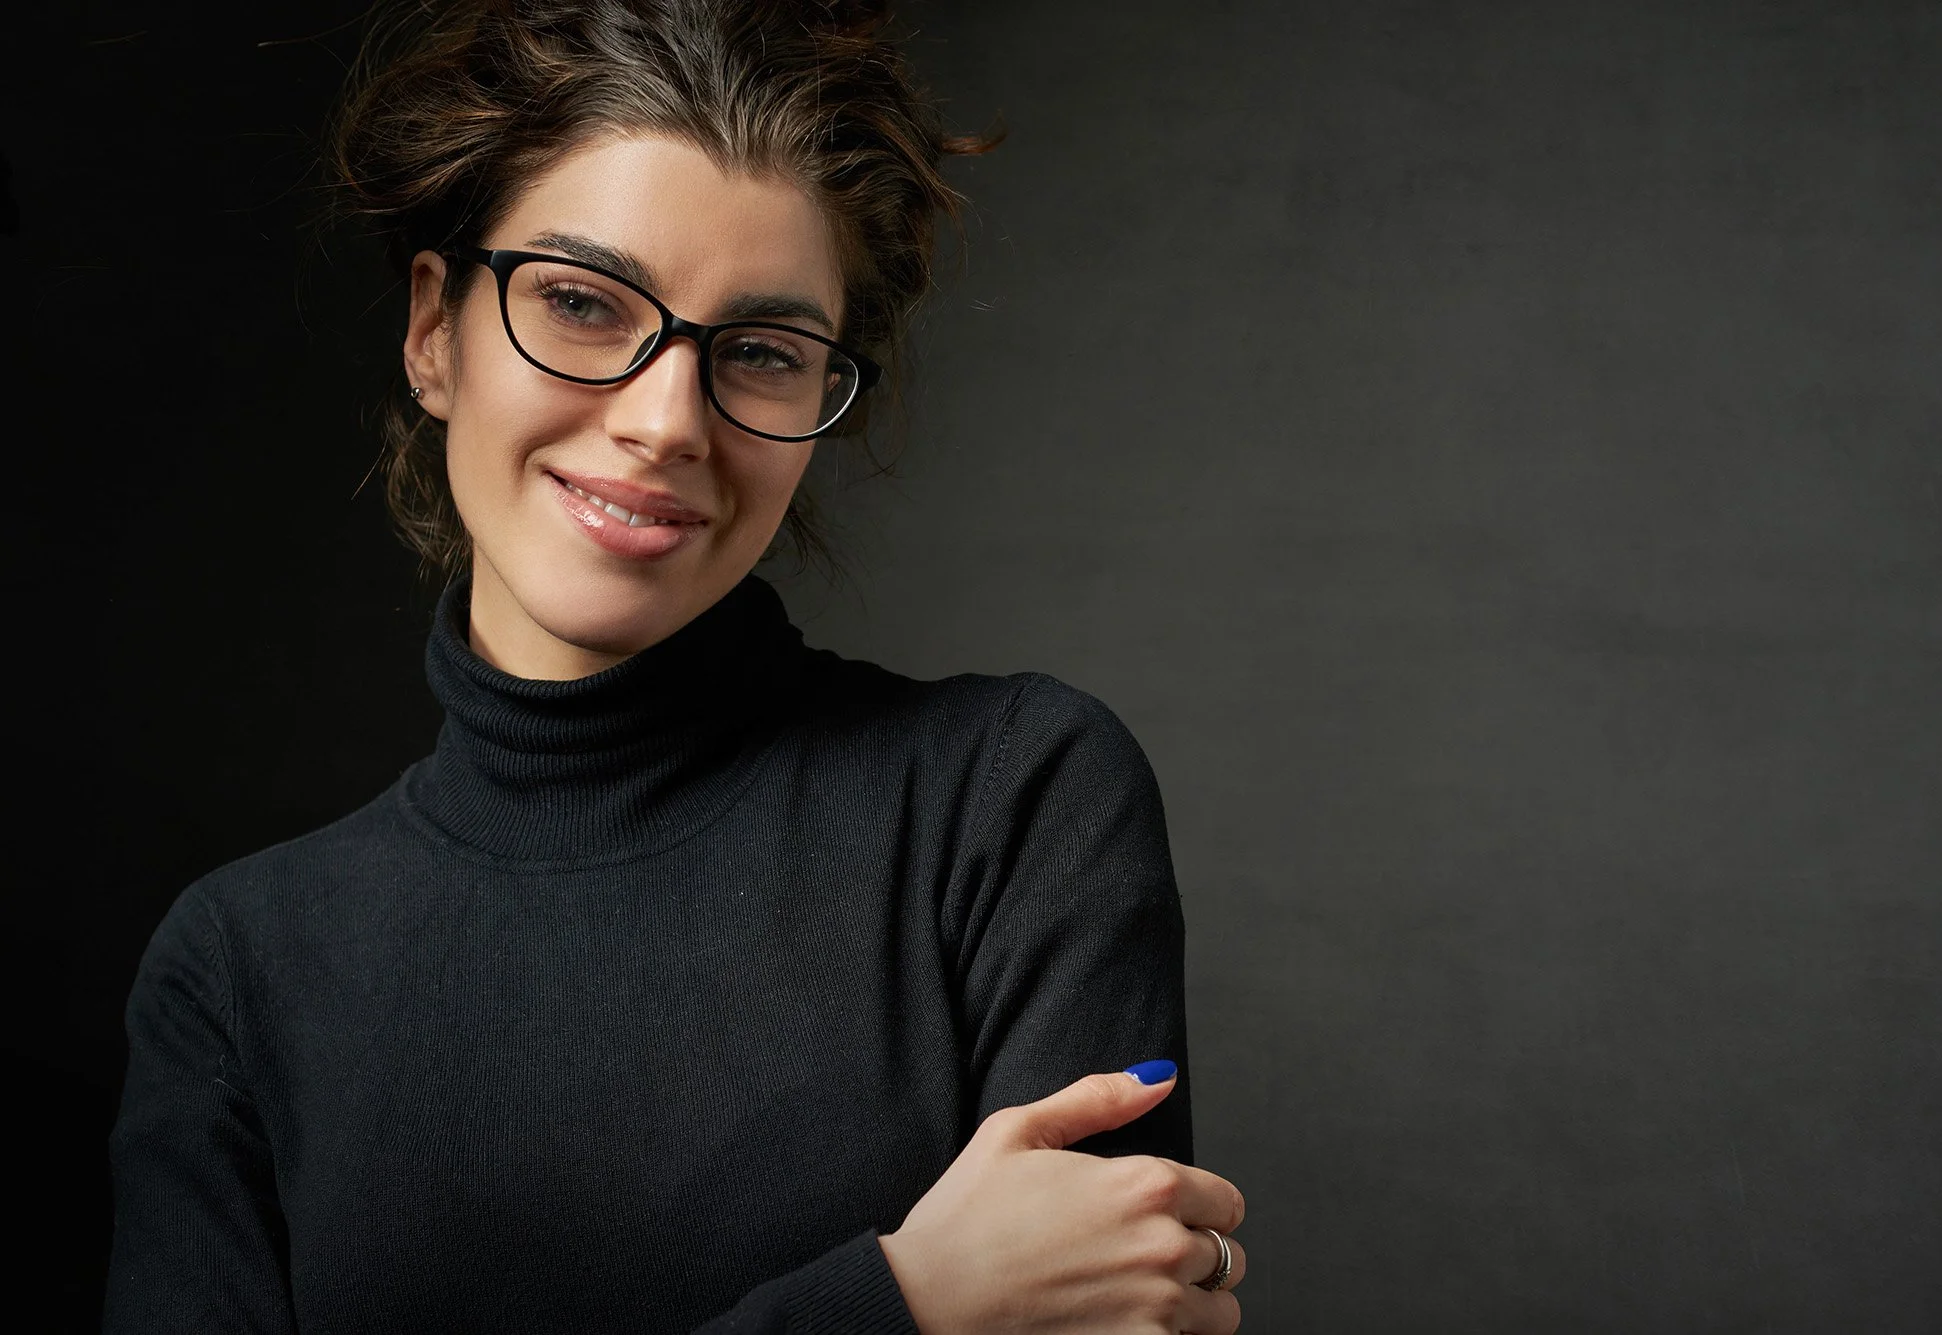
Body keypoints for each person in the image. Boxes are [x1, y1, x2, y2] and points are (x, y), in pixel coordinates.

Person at [102, 1, 1249, 1330]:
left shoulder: (1008, 800)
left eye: (759, 352)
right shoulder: (237, 971)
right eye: (585, 303)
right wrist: (906, 1301)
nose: (663, 422)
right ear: (435, 330)